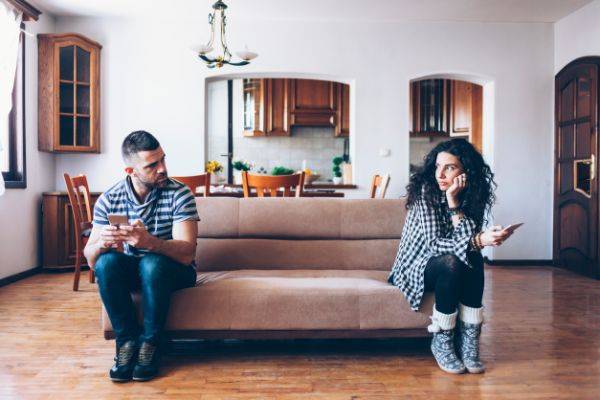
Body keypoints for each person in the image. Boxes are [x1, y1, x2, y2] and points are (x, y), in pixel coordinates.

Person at [388, 138, 514, 374]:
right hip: (415, 266)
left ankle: (469, 342)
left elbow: (464, 241)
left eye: (450, 167)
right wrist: (478, 239)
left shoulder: (471, 194)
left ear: (466, 171)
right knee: (455, 259)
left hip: (448, 261)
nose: (440, 174)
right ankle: (442, 341)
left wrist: (455, 203)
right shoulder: (426, 193)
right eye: (438, 166)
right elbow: (435, 245)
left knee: (473, 256)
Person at [84, 131, 199, 382]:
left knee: (151, 262)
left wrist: (151, 243)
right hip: (135, 270)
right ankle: (126, 343)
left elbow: (188, 253)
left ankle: (151, 344)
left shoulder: (180, 194)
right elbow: (91, 261)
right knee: (107, 262)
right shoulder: (109, 199)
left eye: (163, 160)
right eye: (152, 165)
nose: (162, 169)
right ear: (130, 171)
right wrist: (102, 244)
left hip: (173, 271)